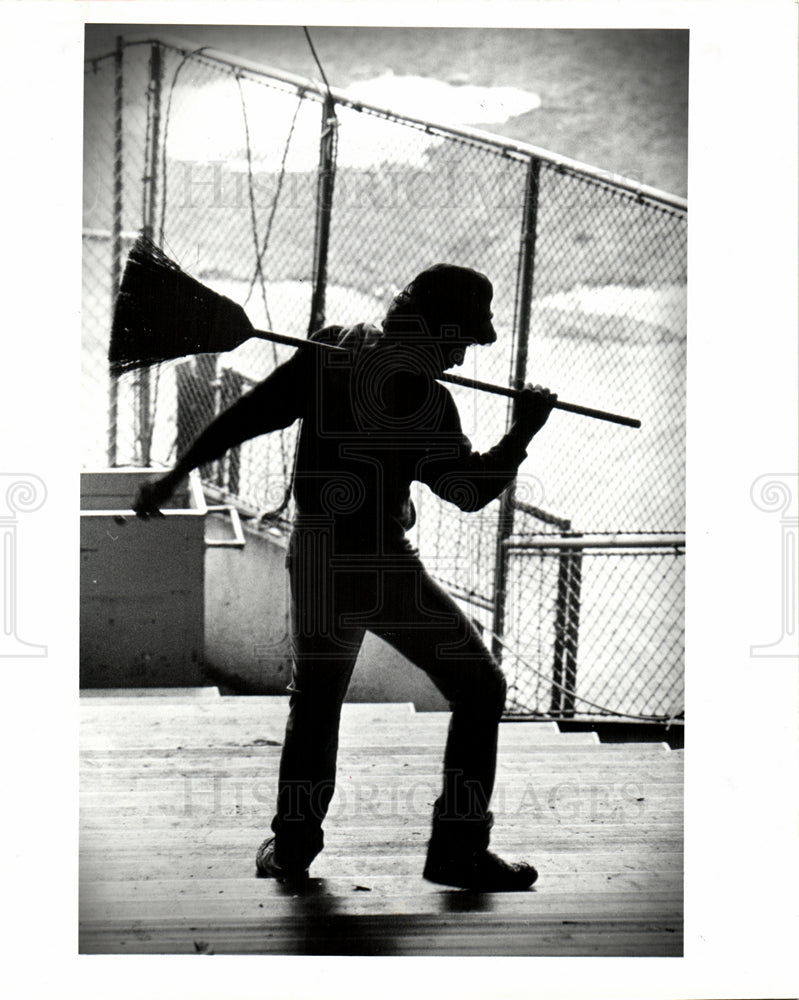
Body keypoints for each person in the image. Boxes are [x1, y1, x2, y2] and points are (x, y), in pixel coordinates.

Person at [134, 263, 556, 891]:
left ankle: (293, 847)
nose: (464, 358)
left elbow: (245, 418)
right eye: (460, 341)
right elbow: (467, 491)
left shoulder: (334, 346)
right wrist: (521, 433)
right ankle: (458, 851)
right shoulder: (425, 400)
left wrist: (172, 477)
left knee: (317, 700)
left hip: (317, 557)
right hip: (378, 566)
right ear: (432, 332)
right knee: (480, 689)